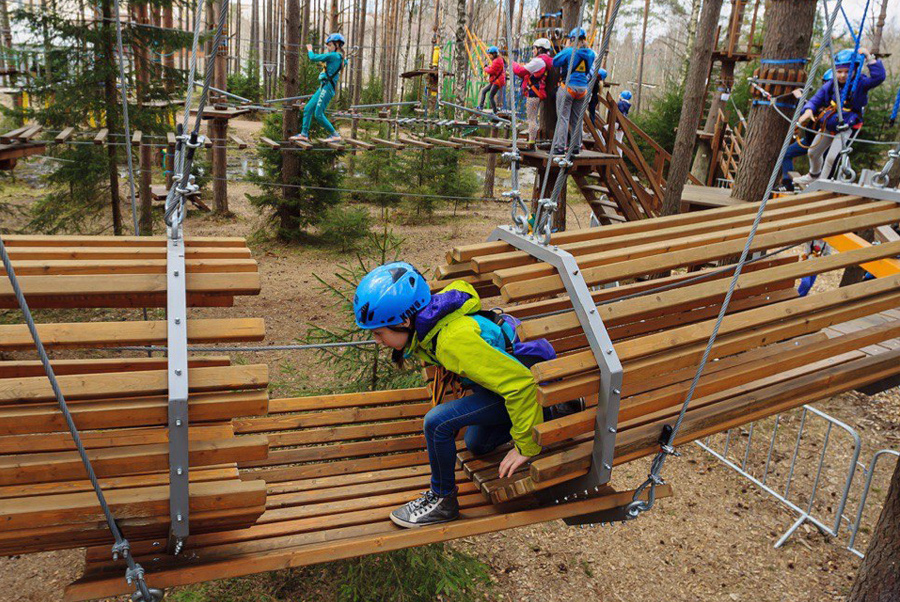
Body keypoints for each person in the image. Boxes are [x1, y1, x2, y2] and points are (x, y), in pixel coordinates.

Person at [353, 262, 564, 528]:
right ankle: (556, 410)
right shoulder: (430, 323)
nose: (377, 341)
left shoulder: (452, 340)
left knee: (437, 422)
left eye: (379, 333)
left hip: (527, 386)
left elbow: (520, 384)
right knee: (477, 444)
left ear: (405, 321)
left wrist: (526, 445)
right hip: (506, 385)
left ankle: (443, 501)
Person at [794, 47, 885, 185]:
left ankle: (823, 184)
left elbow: (879, 77)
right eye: (839, 72)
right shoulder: (831, 85)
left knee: (832, 157)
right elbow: (816, 99)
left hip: (848, 126)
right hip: (830, 124)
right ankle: (814, 175)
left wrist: (868, 57)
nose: (842, 75)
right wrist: (808, 110)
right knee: (813, 152)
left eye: (847, 72)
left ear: (855, 70)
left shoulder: (861, 83)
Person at [290, 33, 346, 144]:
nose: (328, 48)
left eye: (330, 45)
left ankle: (335, 135)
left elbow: (313, 57)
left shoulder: (333, 56)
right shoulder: (339, 58)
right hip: (323, 87)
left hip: (327, 88)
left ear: (337, 45)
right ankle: (304, 134)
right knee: (307, 109)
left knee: (318, 114)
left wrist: (310, 49)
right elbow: (344, 62)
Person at [781, 71, 832, 191]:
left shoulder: (833, 101)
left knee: (821, 164)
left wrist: (800, 97)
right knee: (787, 153)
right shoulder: (822, 97)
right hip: (809, 140)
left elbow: (812, 108)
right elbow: (811, 105)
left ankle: (816, 186)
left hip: (824, 143)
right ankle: (788, 183)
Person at [551, 27, 597, 155]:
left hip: (569, 87)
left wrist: (566, 47)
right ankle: (576, 146)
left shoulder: (569, 52)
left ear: (572, 39)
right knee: (577, 119)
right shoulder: (591, 53)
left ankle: (559, 147)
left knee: (563, 118)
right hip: (582, 90)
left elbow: (555, 61)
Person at [512, 38, 554, 141]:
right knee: (533, 118)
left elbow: (520, 71)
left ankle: (531, 140)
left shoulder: (539, 61)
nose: (533, 51)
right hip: (538, 92)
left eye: (534, 48)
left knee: (531, 119)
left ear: (539, 49)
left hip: (534, 93)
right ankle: (532, 139)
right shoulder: (546, 60)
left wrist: (512, 63)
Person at [476, 46, 506, 114]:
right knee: (484, 91)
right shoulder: (497, 60)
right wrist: (488, 67)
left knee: (491, 96)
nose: (489, 56)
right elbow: (492, 67)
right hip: (495, 81)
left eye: (490, 55)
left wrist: (485, 68)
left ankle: (495, 111)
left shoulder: (497, 61)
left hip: (497, 82)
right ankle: (481, 107)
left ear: (494, 54)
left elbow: (491, 71)